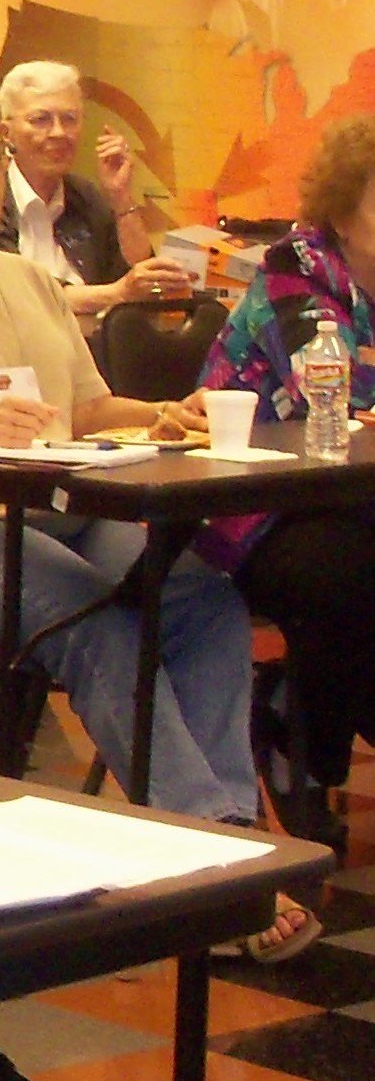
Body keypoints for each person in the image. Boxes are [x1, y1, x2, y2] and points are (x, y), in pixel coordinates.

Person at [0, 80, 313, 958]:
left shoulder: (27, 279)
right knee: (96, 620)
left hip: (51, 515)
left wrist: (169, 413)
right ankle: (215, 869)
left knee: (204, 599)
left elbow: (84, 411)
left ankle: (225, 836)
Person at [189, 116, 375, 859]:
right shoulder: (294, 270)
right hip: (252, 502)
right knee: (347, 574)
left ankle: (301, 727)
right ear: (342, 202)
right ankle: (298, 746)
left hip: (349, 494)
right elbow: (330, 391)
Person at [0, 61, 192, 314]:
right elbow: (23, 294)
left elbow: (138, 274)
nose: (59, 132)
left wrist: (120, 195)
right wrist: (117, 293)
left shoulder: (85, 196)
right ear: (6, 133)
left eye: (70, 119)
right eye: (40, 120)